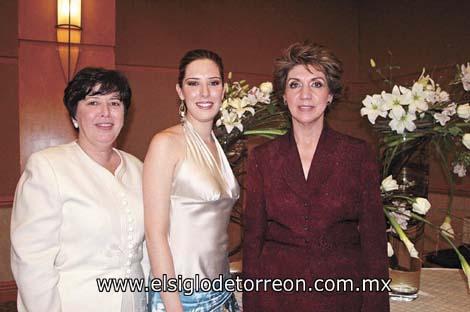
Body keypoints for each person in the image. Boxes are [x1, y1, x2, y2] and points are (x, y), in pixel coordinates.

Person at [242, 42, 390, 311]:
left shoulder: (357, 154)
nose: (305, 95)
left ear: (331, 95)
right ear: (284, 96)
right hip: (277, 297)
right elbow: (252, 242)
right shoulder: (263, 158)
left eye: (317, 84)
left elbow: (374, 241)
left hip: (341, 296)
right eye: (295, 85)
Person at [11, 67, 147, 312]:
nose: (105, 112)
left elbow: (145, 249)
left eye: (114, 103)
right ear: (74, 115)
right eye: (93, 102)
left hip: (134, 303)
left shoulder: (139, 169)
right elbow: (31, 261)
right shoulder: (49, 166)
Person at [144, 49, 240, 312]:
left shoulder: (218, 146)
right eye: (193, 84)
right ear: (180, 91)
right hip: (180, 297)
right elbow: (155, 235)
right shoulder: (165, 144)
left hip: (221, 292)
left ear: (224, 90)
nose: (205, 93)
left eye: (213, 83)